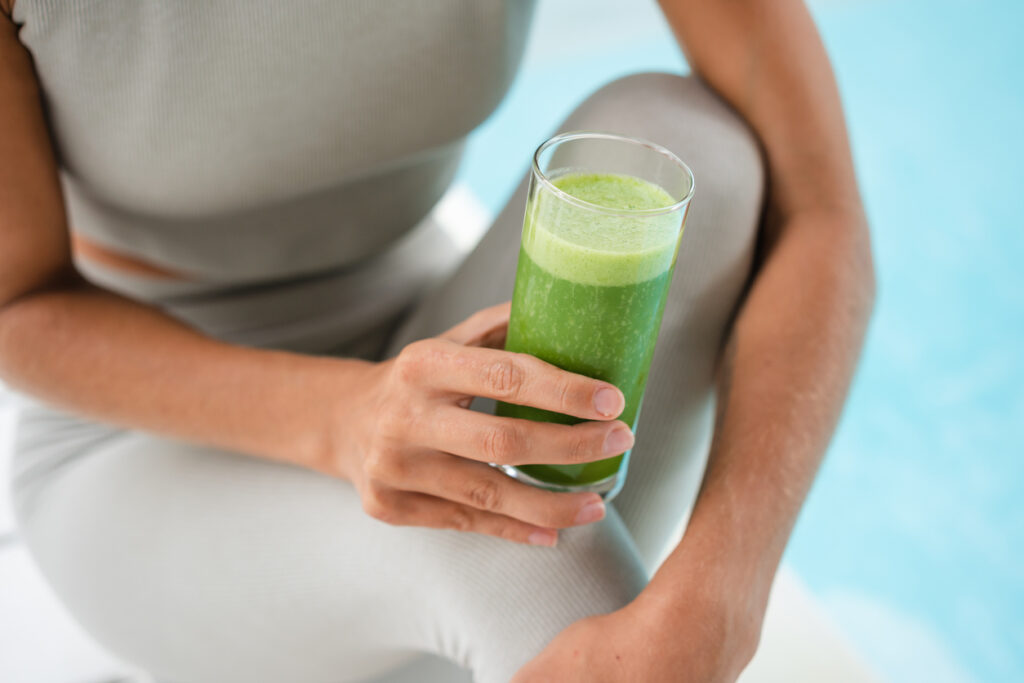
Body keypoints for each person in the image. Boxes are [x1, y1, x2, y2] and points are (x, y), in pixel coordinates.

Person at [0, 1, 874, 681]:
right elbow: (18, 308)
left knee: (697, 151)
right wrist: (341, 416)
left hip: (420, 315)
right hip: (149, 430)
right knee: (539, 570)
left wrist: (726, 589)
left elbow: (825, 212)